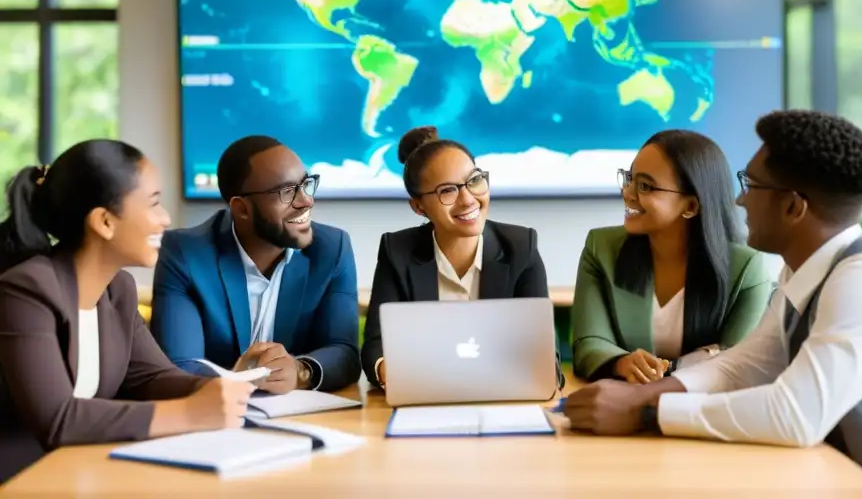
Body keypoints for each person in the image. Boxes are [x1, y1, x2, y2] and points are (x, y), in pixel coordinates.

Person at [564, 111, 862, 498]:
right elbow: (740, 367)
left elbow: (794, 415)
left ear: (794, 207)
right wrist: (642, 394)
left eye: (752, 184)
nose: (739, 199)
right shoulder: (807, 273)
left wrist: (645, 412)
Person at [0, 140, 253, 484]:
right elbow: (58, 419)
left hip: (83, 472)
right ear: (104, 222)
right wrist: (190, 412)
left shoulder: (118, 289)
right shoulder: (25, 290)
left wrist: (227, 388)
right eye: (153, 204)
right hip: (21, 477)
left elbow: (150, 377)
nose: (165, 219)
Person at [150, 136, 360, 393]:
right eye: (286, 192)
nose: (306, 201)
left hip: (302, 415)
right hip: (213, 416)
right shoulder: (185, 253)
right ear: (242, 209)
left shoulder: (332, 249)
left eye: (306, 184)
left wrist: (300, 370)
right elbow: (178, 365)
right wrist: (237, 380)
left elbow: (345, 352)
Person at [361, 126, 564, 389]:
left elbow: (547, 356)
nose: (468, 200)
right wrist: (386, 367)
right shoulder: (397, 250)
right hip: (427, 397)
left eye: (474, 181)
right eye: (448, 191)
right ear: (418, 206)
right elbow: (375, 345)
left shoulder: (521, 248)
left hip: (503, 398)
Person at [571, 130, 772, 383]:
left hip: (701, 411)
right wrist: (621, 362)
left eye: (645, 186)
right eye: (630, 179)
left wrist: (672, 369)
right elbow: (589, 342)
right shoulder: (600, 247)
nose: (628, 193)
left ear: (690, 206)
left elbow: (737, 362)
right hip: (622, 402)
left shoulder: (746, 268)